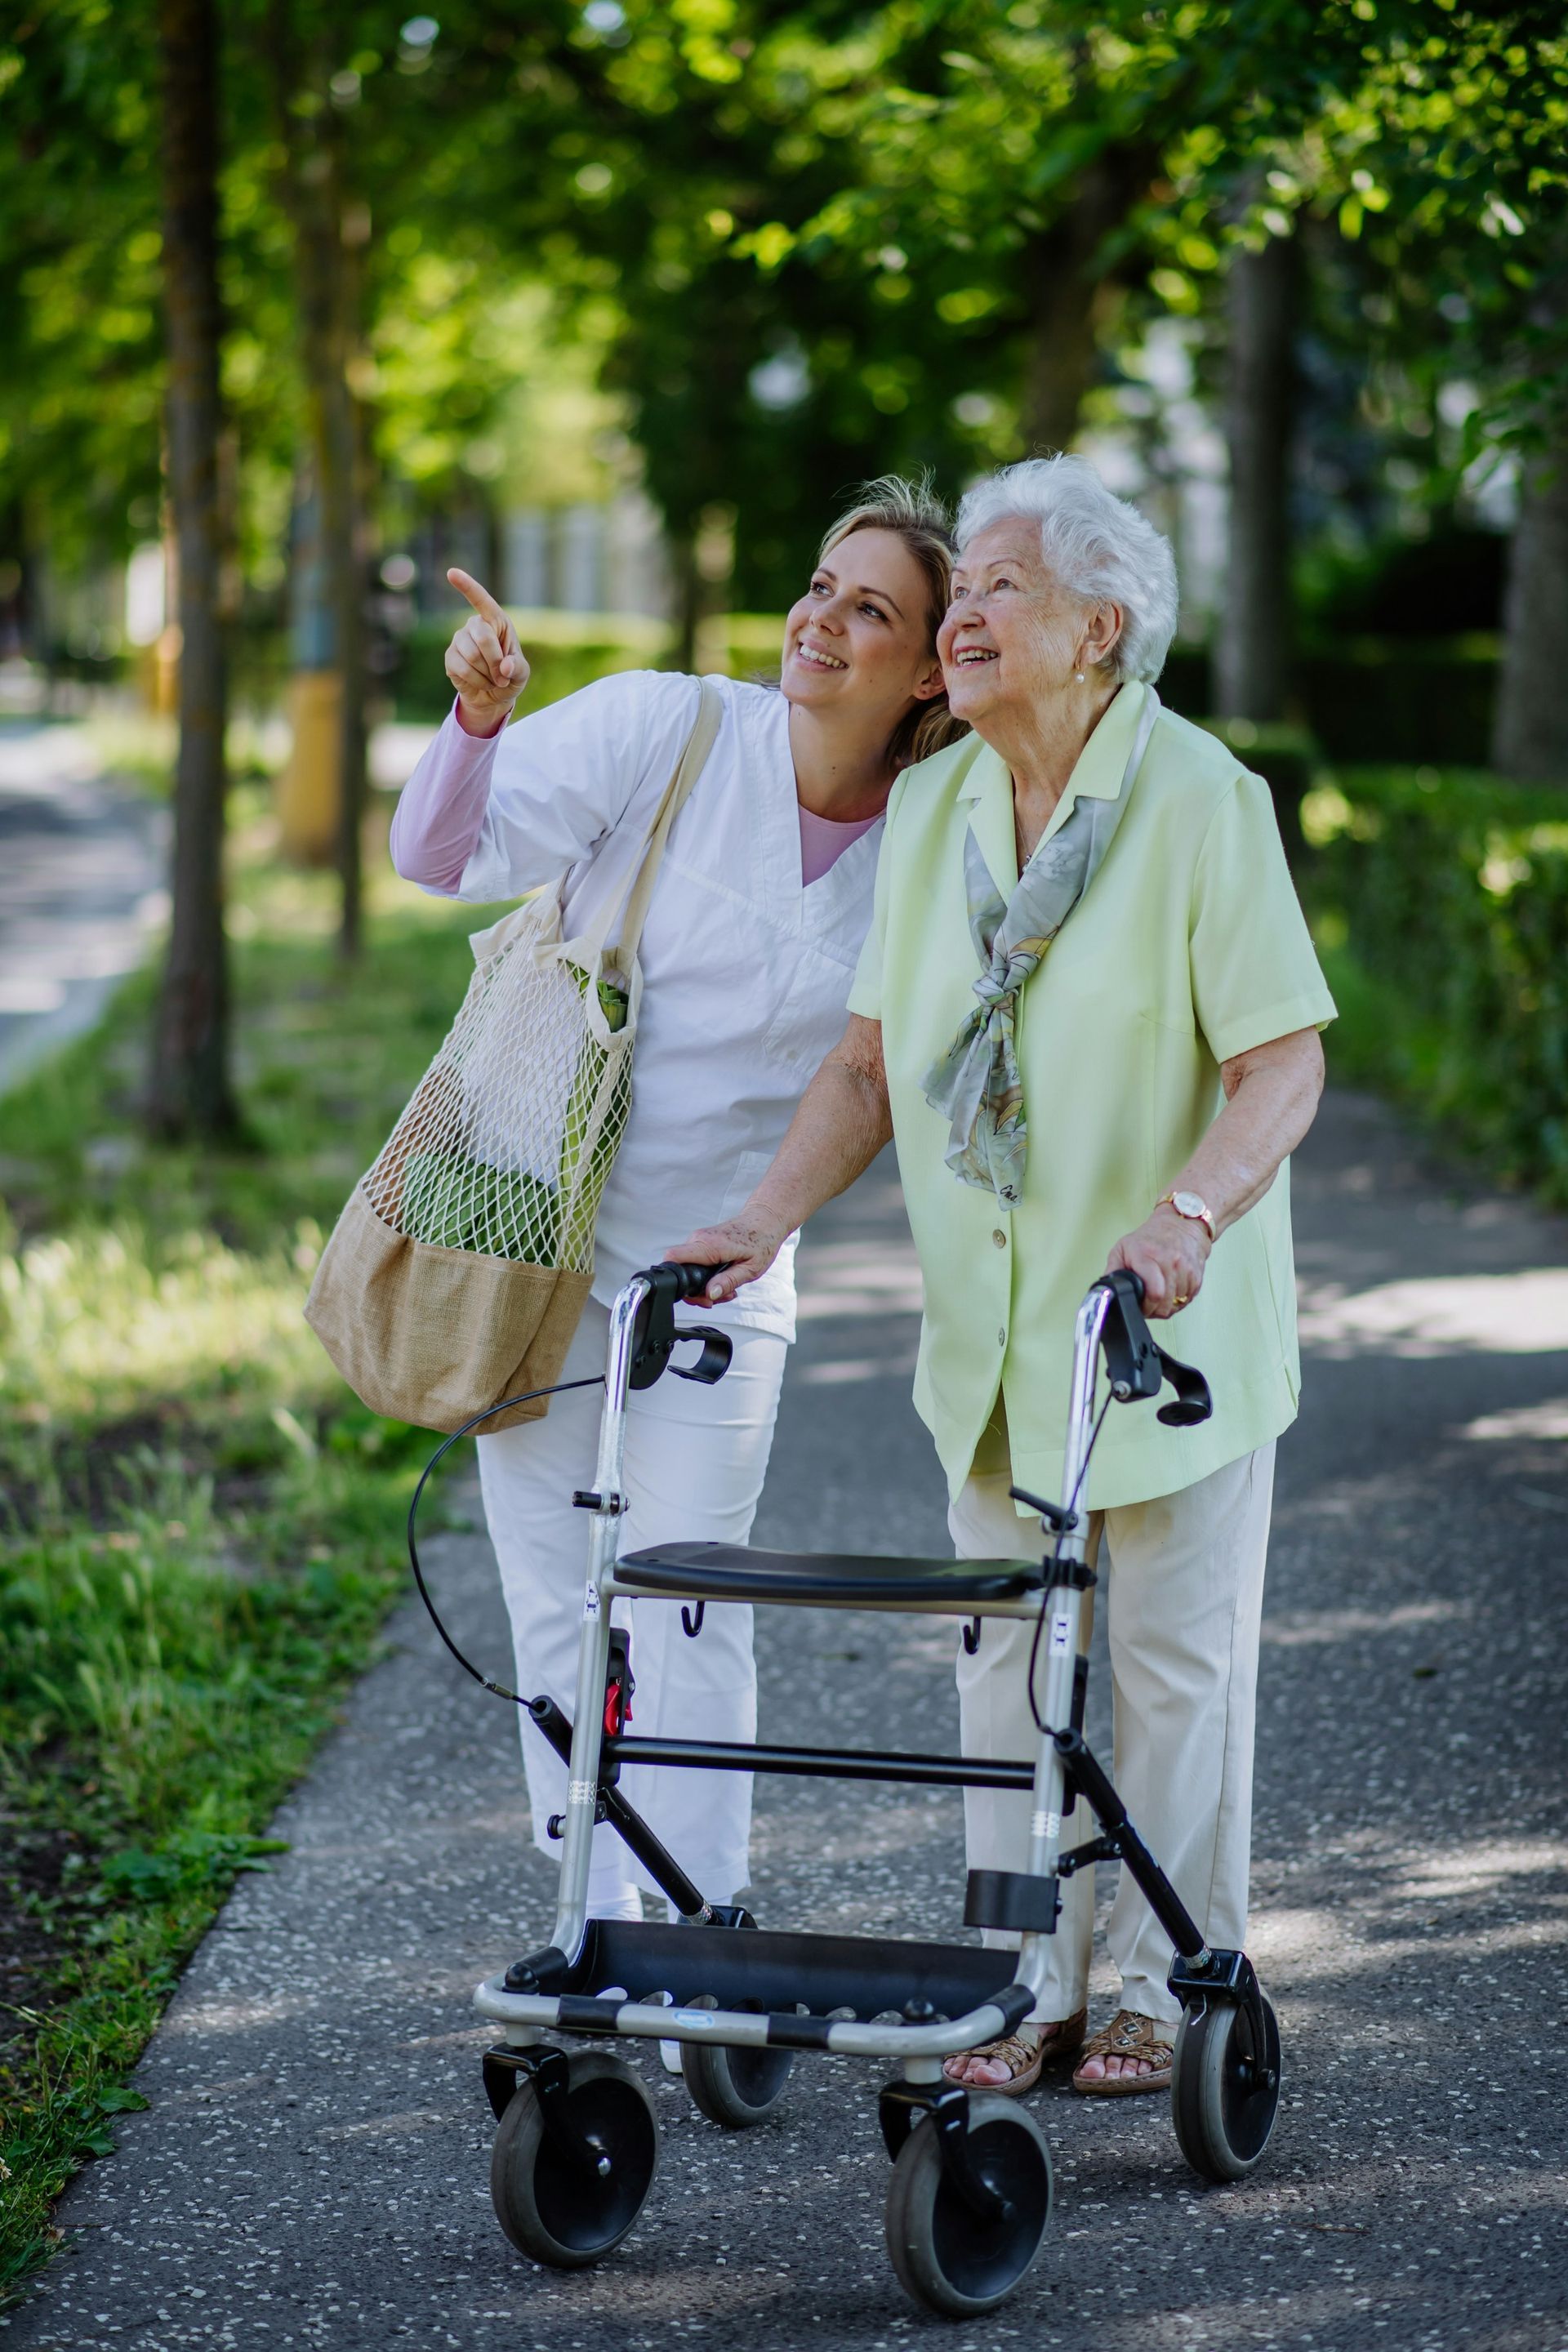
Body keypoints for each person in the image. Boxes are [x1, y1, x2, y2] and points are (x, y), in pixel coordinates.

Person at [671, 453, 1336, 2099]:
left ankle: (1167, 1988)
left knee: (1173, 1672)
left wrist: (1190, 1214)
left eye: (1000, 589)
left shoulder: (1201, 803)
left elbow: (1283, 1066)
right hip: (988, 1339)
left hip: (1158, 1330)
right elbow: (870, 1065)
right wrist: (763, 1218)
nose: (963, 614)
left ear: (1103, 629)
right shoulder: (936, 805)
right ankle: (1025, 1979)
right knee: (1007, 1668)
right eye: (958, 589)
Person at [390, 480, 964, 1970]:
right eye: (821, 586)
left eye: (871, 609)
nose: (823, 619)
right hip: (535, 1227)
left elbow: (883, 1067)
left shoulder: (931, 835)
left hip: (720, 1265)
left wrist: (770, 1223)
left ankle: (704, 1924)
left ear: (926, 670)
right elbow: (445, 859)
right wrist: (478, 722)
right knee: (550, 1585)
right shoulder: (673, 726)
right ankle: (595, 1919)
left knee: (693, 1592)